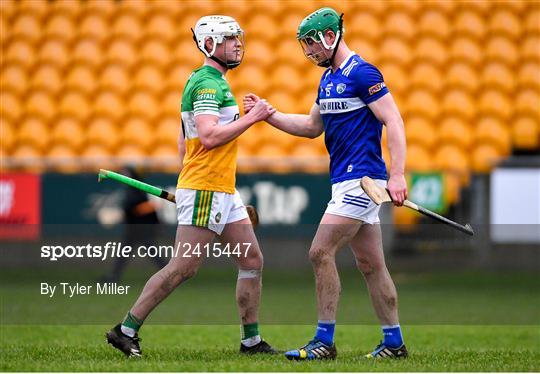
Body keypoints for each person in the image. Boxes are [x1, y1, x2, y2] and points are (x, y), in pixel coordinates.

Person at [106, 15, 277, 357]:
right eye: (229, 39)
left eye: (238, 37)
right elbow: (210, 137)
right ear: (210, 44)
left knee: (252, 260)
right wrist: (252, 119)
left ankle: (251, 342)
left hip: (220, 188)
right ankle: (124, 330)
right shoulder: (208, 84)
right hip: (207, 188)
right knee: (184, 267)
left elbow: (185, 143)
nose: (238, 43)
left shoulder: (206, 81)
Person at [244, 7, 408, 360]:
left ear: (331, 36)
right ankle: (394, 344)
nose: (309, 52)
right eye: (305, 45)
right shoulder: (327, 79)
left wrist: (397, 174)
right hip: (345, 180)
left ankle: (324, 341)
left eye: (312, 44)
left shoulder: (363, 73)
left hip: (362, 180)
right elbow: (310, 127)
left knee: (319, 251)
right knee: (371, 265)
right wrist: (268, 115)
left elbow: (393, 120)